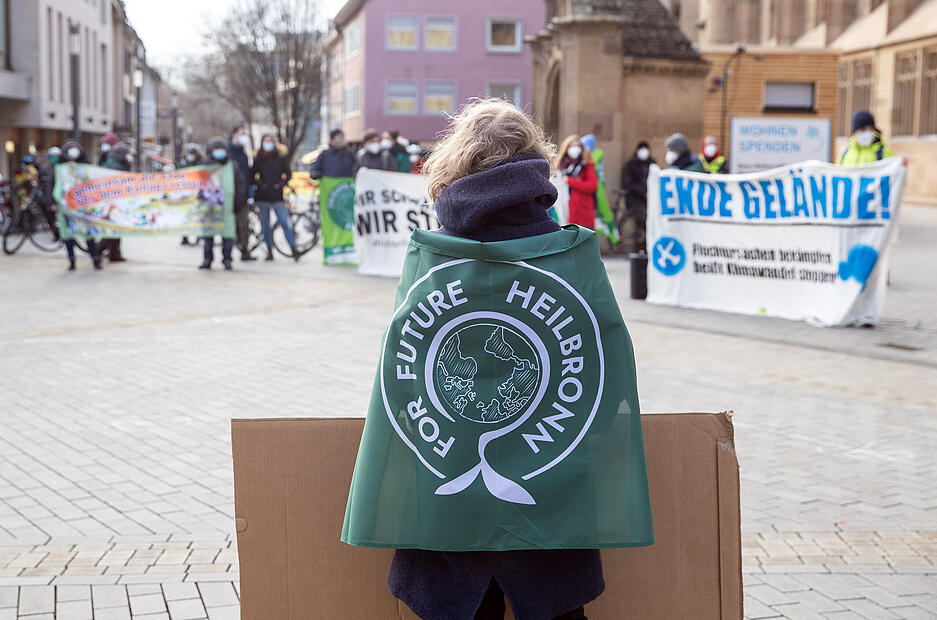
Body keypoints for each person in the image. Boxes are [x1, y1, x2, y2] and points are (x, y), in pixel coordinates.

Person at [342, 99, 653, 620]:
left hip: (444, 512)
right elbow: (603, 381)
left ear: (455, 160)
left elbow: (403, 385)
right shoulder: (569, 256)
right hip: (550, 507)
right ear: (534, 161)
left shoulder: (430, 258)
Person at [52, 141, 101, 270]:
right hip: (64, 206)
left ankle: (95, 259)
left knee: (88, 234)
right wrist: (54, 202)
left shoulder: (85, 166)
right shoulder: (59, 168)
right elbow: (53, 185)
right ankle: (72, 261)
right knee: (67, 235)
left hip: (83, 207)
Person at [249, 134, 299, 261]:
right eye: (266, 141)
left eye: (270, 141)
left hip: (277, 196)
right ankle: (269, 251)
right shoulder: (258, 157)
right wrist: (261, 185)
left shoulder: (280, 156)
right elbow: (252, 176)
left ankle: (293, 248)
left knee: (284, 222)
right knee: (265, 226)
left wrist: (281, 184)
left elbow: (288, 173)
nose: (268, 143)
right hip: (263, 197)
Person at [199, 138, 243, 271]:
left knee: (228, 236)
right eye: (216, 149)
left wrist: (238, 203)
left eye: (221, 149)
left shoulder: (232, 165)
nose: (219, 152)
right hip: (209, 208)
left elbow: (240, 185)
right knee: (208, 236)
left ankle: (227, 259)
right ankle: (207, 259)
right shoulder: (204, 166)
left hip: (228, 207)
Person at [578, 134, 617, 242]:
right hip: (596, 185)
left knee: (604, 210)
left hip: (597, 186)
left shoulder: (597, 153)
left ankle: (614, 237)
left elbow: (589, 162)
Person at [97, 143, 132, 262]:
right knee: (113, 228)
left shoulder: (116, 163)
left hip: (115, 201)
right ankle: (98, 250)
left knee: (116, 227)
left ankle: (114, 253)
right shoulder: (115, 165)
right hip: (113, 202)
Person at [556, 134, 598, 229]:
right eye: (571, 146)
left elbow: (592, 186)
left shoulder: (586, 164)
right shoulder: (561, 166)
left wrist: (571, 181)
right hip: (563, 211)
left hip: (582, 214)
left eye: (577, 146)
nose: (574, 149)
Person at [620, 141, 655, 253]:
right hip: (634, 200)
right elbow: (628, 183)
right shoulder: (630, 165)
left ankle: (645, 249)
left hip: (650, 201)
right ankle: (639, 249)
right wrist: (643, 193)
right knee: (642, 222)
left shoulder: (652, 164)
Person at [228, 126, 255, 261]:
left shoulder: (243, 155)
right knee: (230, 227)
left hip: (242, 196)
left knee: (244, 225)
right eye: (242, 133)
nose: (244, 136)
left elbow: (247, 175)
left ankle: (245, 251)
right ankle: (227, 255)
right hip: (229, 196)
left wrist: (249, 194)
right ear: (234, 134)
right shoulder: (227, 152)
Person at [179, 143, 205, 247]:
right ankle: (185, 237)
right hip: (187, 194)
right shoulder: (183, 163)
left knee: (198, 216)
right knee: (186, 215)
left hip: (198, 193)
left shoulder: (201, 163)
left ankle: (199, 236)